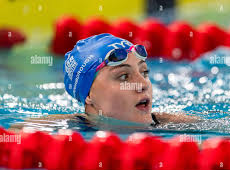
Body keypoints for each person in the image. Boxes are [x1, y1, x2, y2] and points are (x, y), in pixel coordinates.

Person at [9, 33, 200, 132]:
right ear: (89, 95)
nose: (142, 84)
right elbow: (14, 133)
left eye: (144, 72)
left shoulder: (173, 124)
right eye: (124, 76)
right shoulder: (70, 127)